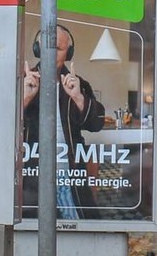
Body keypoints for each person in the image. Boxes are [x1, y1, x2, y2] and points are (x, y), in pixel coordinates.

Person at [22, 25, 107, 220]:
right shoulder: (24, 82)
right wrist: (25, 98)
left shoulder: (78, 84)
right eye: (46, 47)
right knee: (31, 226)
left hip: (69, 174)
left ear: (68, 53)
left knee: (80, 223)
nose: (51, 54)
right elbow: (3, 126)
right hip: (32, 175)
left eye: (58, 49)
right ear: (37, 50)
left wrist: (78, 97)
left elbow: (97, 124)